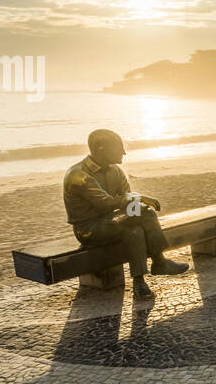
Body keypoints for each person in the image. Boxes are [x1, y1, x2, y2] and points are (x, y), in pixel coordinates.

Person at [63, 128, 189, 299]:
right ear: (102, 149)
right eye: (118, 147)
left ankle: (139, 284)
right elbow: (105, 202)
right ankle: (159, 262)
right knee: (148, 214)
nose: (123, 152)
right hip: (89, 229)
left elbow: (127, 199)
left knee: (135, 231)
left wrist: (135, 203)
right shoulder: (78, 175)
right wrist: (140, 199)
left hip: (113, 221)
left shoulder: (115, 170)